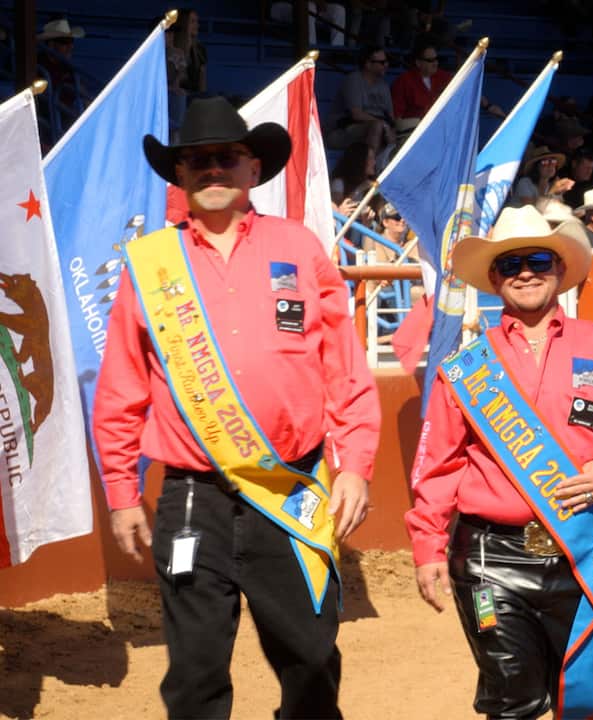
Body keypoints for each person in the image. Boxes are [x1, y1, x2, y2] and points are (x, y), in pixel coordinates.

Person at [94, 97, 380, 718]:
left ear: (254, 168)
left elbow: (345, 368)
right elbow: (121, 389)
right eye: (197, 161)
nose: (212, 170)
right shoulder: (149, 266)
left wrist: (355, 464)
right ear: (180, 174)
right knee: (194, 673)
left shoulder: (300, 247)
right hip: (193, 498)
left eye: (227, 157)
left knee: (309, 658)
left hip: (292, 488)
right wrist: (121, 493)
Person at [405, 205, 593, 718]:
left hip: (586, 550)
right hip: (489, 562)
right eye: (510, 264)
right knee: (512, 704)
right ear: (496, 280)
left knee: (590, 701)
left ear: (560, 270)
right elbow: (439, 463)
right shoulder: (465, 369)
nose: (525, 272)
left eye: (538, 260)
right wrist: (428, 546)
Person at [328, 45, 395, 160]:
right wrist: (383, 125)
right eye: (382, 62)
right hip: (344, 130)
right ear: (368, 64)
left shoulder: (383, 85)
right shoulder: (353, 80)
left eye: (387, 61)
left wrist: (392, 130)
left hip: (376, 129)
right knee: (378, 126)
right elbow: (356, 114)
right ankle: (368, 169)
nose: (386, 65)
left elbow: (391, 116)